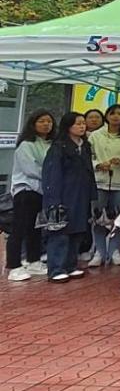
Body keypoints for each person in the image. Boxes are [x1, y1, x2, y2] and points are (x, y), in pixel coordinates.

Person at [42, 112, 97, 282]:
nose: (82, 126)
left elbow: (90, 172)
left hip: (81, 194)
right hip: (64, 193)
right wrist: (54, 199)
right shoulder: (59, 147)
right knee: (60, 231)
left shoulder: (85, 146)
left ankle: (70, 265)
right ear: (68, 126)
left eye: (83, 123)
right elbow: (52, 174)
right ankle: (56, 268)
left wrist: (92, 195)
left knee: (78, 230)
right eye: (77, 123)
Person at [6, 110, 55, 281]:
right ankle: (14, 266)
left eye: (49, 121)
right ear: (33, 124)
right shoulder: (26, 145)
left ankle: (34, 261)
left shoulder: (51, 144)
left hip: (43, 191)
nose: (46, 124)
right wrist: (54, 176)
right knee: (19, 229)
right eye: (41, 121)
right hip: (26, 191)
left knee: (35, 228)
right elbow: (30, 169)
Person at [87, 104, 120, 268]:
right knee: (98, 218)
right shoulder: (95, 136)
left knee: (119, 218)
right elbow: (87, 157)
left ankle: (115, 250)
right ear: (106, 116)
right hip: (99, 182)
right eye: (112, 113)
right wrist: (98, 165)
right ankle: (99, 251)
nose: (115, 117)